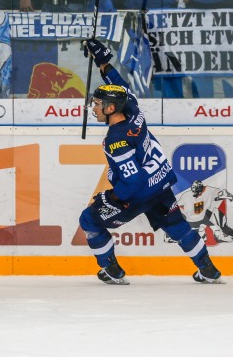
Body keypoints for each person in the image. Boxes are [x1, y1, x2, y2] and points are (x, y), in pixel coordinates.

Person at [79, 38, 222, 285]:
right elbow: (120, 85)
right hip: (160, 181)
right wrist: (103, 62)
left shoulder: (116, 139)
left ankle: (111, 269)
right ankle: (207, 268)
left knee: (88, 220)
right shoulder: (133, 109)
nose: (94, 107)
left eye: (98, 104)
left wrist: (112, 198)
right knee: (177, 226)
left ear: (112, 108)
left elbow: (132, 181)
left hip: (139, 192)